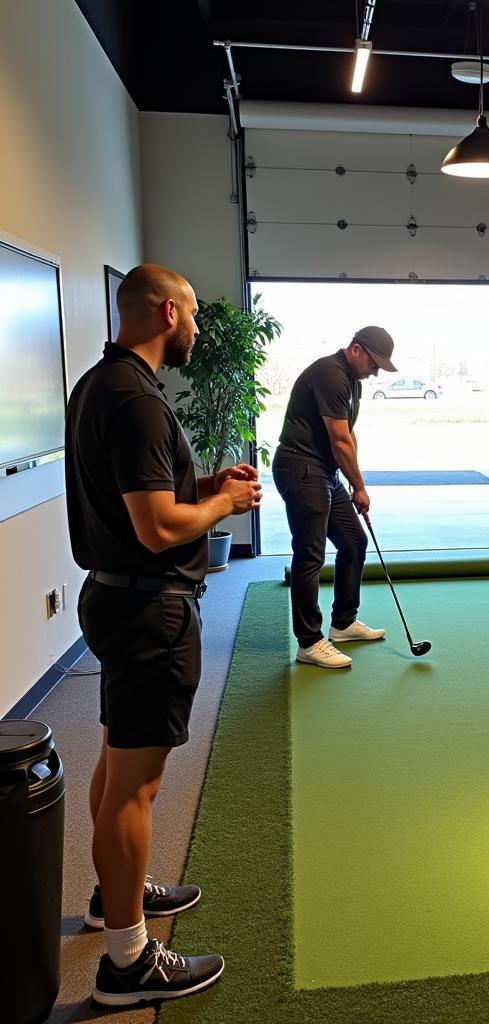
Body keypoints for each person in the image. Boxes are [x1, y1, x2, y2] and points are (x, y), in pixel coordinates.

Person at [65, 264, 262, 1005]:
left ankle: (114, 893)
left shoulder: (101, 385)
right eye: (192, 314)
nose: (200, 329)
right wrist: (224, 506)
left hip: (115, 599)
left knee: (119, 767)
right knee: (136, 788)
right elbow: (155, 528)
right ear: (164, 310)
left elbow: (139, 504)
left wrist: (204, 489)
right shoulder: (138, 402)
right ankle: (127, 962)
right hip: (149, 609)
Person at [272, 326, 396, 669]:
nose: (374, 372)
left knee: (354, 541)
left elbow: (348, 434)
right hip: (300, 467)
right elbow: (338, 440)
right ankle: (309, 642)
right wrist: (359, 486)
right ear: (356, 349)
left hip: (324, 471)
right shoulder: (331, 374)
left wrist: (355, 479)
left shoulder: (352, 381)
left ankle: (342, 623)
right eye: (374, 363)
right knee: (310, 554)